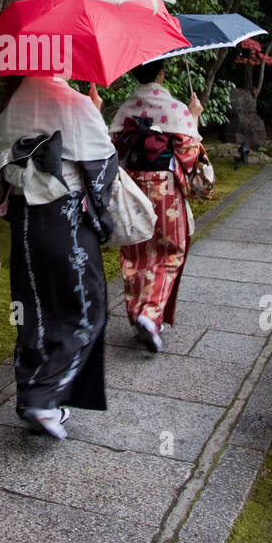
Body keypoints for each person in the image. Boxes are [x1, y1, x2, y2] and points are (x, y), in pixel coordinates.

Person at [0, 73, 118, 439]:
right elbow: (103, 164)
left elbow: (6, 168)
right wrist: (93, 112)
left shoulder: (11, 105)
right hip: (66, 220)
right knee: (86, 307)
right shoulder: (76, 104)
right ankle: (44, 398)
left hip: (26, 222)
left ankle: (34, 394)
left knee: (33, 309)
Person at [109, 61, 203, 353]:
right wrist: (194, 116)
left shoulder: (125, 109)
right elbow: (190, 154)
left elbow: (113, 149)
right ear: (161, 73)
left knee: (136, 251)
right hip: (165, 189)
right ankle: (150, 316)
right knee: (170, 250)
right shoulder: (174, 108)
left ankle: (139, 312)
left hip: (133, 185)